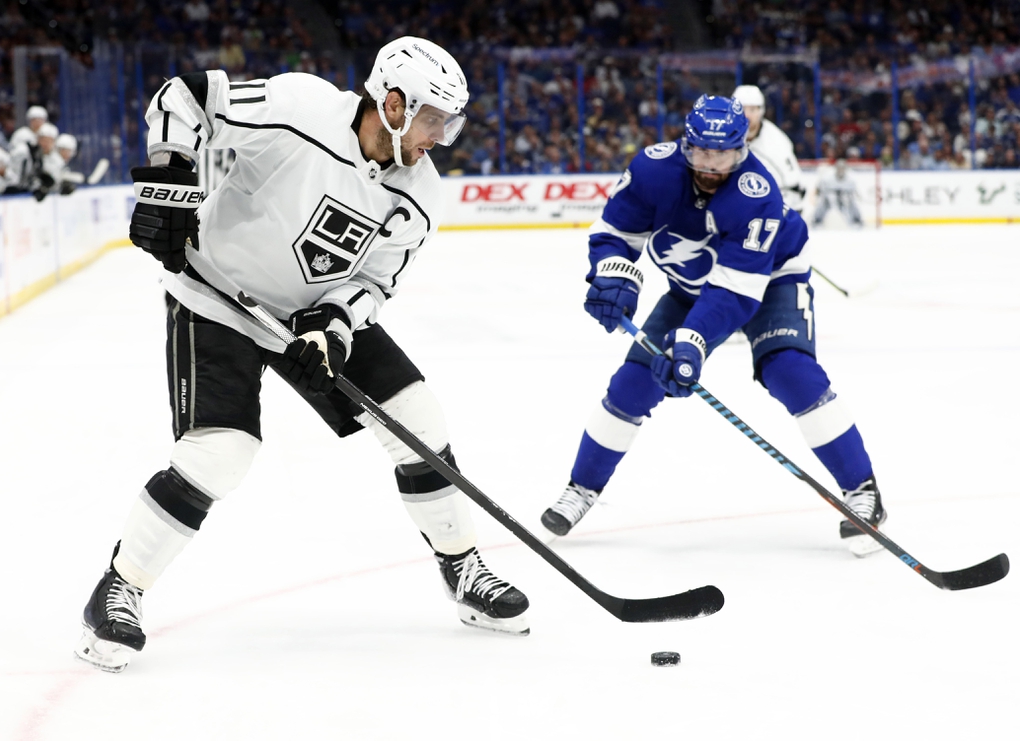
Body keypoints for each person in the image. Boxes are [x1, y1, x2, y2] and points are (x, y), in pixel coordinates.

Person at [75, 36, 530, 674]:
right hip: (215, 301)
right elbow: (183, 96)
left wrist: (332, 327)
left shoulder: (421, 192)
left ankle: (462, 569)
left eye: (449, 124)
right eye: (433, 120)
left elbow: (372, 281)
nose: (441, 137)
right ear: (393, 104)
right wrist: (170, 182)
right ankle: (120, 588)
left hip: (305, 319)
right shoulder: (300, 106)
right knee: (220, 453)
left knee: (419, 420)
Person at [539, 95, 886, 558]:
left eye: (721, 154)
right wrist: (612, 274)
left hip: (771, 278)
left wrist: (692, 344)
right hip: (691, 286)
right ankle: (580, 490)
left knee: (791, 372)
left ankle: (862, 490)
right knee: (632, 385)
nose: (710, 164)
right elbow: (614, 234)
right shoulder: (652, 171)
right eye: (701, 152)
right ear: (686, 144)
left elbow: (735, 293)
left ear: (741, 149)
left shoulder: (757, 193)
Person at [732, 85, 805, 212]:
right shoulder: (721, 136)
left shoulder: (776, 142)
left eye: (753, 110)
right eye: (742, 110)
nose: (747, 116)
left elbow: (793, 188)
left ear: (761, 111)